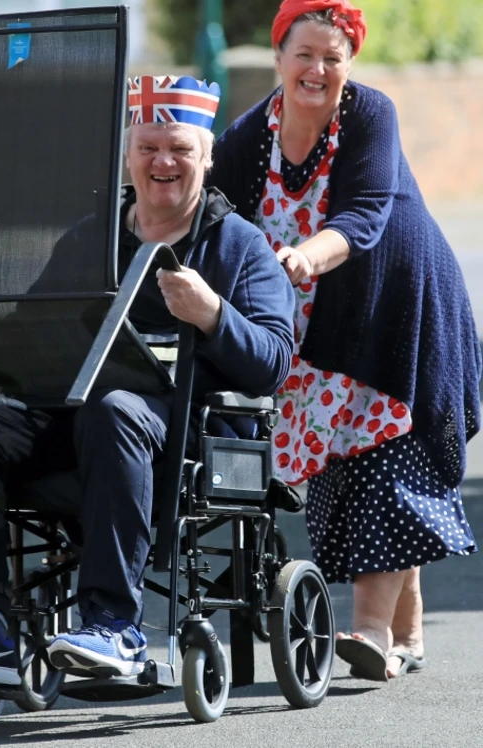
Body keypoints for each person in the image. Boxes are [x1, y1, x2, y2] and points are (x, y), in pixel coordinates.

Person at [0, 75, 294, 685]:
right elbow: (31, 334)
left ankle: (114, 626)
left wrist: (212, 313)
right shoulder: (90, 238)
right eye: (149, 146)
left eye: (181, 149)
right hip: (71, 423)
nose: (163, 161)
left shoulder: (239, 247)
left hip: (180, 438)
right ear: (128, 155)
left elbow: (272, 361)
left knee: (116, 408)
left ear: (207, 158)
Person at [208, 0, 481, 681]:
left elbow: (362, 214)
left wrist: (305, 255)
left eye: (333, 58)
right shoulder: (248, 138)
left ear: (348, 66)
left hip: (396, 308)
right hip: (317, 328)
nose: (318, 69)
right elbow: (210, 212)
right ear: (279, 57)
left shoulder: (370, 114)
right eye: (305, 54)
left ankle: (366, 635)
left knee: (385, 461)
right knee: (341, 461)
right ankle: (406, 630)